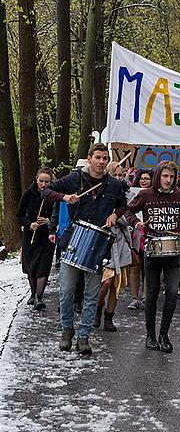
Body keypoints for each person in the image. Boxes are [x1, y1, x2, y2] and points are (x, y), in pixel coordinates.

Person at [42, 143, 127, 356]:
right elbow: (46, 192)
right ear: (89, 159)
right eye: (97, 157)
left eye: (104, 158)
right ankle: (66, 330)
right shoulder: (74, 179)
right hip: (73, 239)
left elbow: (123, 205)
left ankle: (84, 336)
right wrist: (64, 197)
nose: (101, 162)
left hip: (99, 242)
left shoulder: (114, 185)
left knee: (91, 294)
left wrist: (116, 214)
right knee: (67, 291)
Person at [126, 161, 180, 353]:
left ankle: (164, 334)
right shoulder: (146, 195)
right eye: (165, 176)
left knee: (173, 293)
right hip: (152, 249)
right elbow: (127, 210)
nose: (168, 180)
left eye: (172, 177)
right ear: (158, 175)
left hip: (174, 252)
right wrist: (136, 223)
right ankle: (150, 335)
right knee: (151, 294)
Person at [94, 162, 137, 331]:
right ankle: (98, 308)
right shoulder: (101, 191)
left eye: (121, 175)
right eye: (115, 175)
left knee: (117, 284)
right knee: (106, 280)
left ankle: (109, 316)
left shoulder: (128, 194)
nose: (119, 178)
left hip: (121, 241)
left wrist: (118, 217)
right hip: (104, 241)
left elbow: (130, 216)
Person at [17, 167, 56, 310]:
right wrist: (30, 224)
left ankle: (39, 297)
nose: (44, 184)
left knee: (43, 267)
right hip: (31, 237)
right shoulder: (28, 194)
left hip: (47, 236)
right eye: (41, 181)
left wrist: (48, 221)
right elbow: (20, 216)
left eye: (47, 182)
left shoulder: (53, 196)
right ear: (36, 180)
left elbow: (58, 216)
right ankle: (33, 293)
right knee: (31, 267)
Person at [127, 169, 154, 310]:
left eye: (147, 179)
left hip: (150, 234)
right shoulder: (133, 193)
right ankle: (134, 297)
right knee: (135, 265)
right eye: (142, 178)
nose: (143, 181)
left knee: (148, 267)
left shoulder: (155, 195)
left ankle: (145, 296)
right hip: (137, 233)